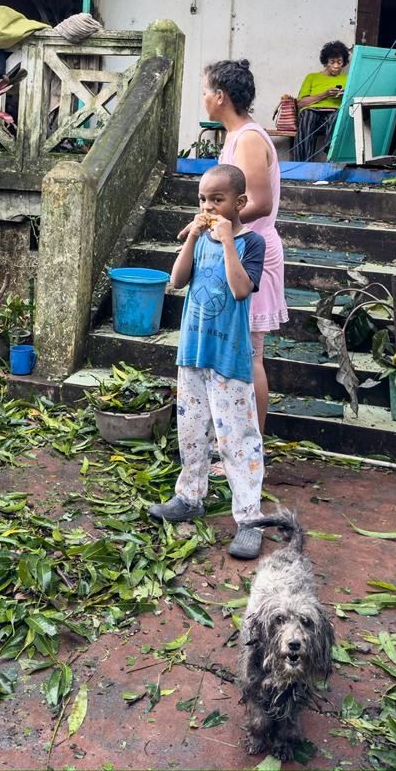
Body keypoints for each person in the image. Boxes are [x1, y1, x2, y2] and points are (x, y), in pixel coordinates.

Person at [149, 164, 267, 560]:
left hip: (228, 358)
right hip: (193, 350)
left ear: (240, 202)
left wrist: (228, 241)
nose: (208, 206)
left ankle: (250, 519)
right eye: (203, 199)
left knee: (237, 440)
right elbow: (177, 280)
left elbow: (239, 290)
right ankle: (190, 495)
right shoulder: (200, 239)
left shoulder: (252, 244)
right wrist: (194, 237)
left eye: (217, 200)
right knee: (191, 431)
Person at [202, 60, 288, 432]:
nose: (203, 98)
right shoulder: (234, 137)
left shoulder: (250, 139)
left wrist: (218, 228)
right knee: (236, 352)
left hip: (253, 251)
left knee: (251, 355)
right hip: (234, 247)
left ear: (220, 97)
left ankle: (251, 447)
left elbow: (261, 203)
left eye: (206, 91)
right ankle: (232, 438)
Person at [290, 40, 351, 162]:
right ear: (325, 62)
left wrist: (344, 95)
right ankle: (302, 163)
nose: (336, 65)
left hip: (333, 113)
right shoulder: (312, 77)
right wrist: (325, 94)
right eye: (332, 62)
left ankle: (331, 156)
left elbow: (352, 101)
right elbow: (300, 103)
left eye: (339, 62)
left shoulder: (348, 78)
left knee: (337, 116)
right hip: (312, 112)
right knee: (308, 116)